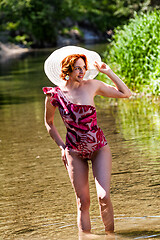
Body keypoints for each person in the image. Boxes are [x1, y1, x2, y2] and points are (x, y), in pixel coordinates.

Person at [43, 46, 132, 236]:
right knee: (83, 202)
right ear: (67, 70)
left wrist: (108, 72)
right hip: (74, 151)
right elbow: (49, 123)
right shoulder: (54, 95)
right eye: (77, 68)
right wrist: (62, 147)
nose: (82, 71)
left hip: (99, 147)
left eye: (83, 67)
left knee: (104, 196)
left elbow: (126, 93)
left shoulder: (93, 85)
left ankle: (111, 237)